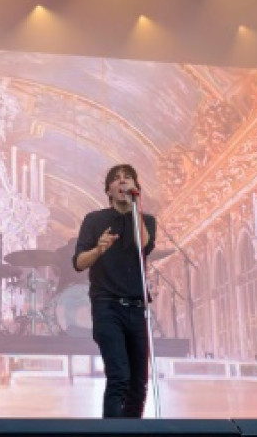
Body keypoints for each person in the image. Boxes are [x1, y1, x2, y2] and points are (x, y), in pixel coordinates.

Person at [73, 163, 156, 418]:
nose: (122, 183)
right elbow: (78, 263)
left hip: (137, 309)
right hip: (107, 306)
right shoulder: (95, 220)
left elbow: (144, 245)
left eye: (127, 179)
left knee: (139, 386)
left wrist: (134, 209)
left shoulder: (146, 220)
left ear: (135, 187)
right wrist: (98, 249)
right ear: (108, 190)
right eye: (116, 180)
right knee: (119, 377)